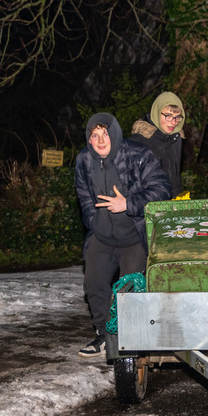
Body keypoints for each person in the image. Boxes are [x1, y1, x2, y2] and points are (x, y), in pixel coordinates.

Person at [74, 113, 171, 358]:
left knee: (128, 291)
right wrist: (93, 222)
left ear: (115, 133)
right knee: (94, 285)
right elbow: (83, 195)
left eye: (105, 134)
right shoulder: (84, 159)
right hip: (102, 237)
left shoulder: (138, 155)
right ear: (89, 138)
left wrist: (128, 204)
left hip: (134, 238)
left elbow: (162, 189)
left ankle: (128, 338)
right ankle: (103, 335)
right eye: (94, 135)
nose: (100, 140)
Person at [126, 91, 186, 198]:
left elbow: (175, 179)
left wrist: (179, 200)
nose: (173, 122)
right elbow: (130, 184)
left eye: (177, 117)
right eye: (168, 116)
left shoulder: (176, 139)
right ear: (157, 113)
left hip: (170, 203)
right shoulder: (138, 141)